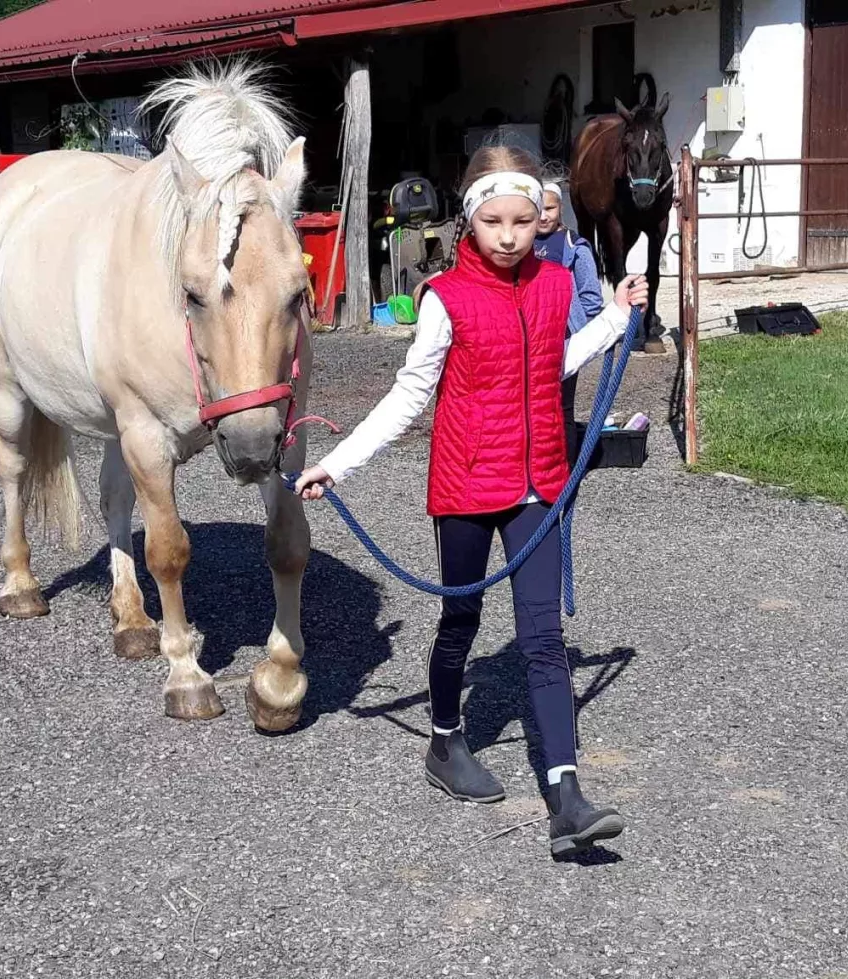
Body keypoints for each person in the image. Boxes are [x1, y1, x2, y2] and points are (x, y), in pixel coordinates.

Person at [292, 144, 648, 858]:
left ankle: (567, 798)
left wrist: (611, 318)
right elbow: (408, 395)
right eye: (495, 222)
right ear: (471, 220)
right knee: (461, 615)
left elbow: (555, 360)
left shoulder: (552, 285)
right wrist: (336, 465)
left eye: (524, 220)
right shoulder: (445, 299)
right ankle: (446, 740)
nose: (512, 234)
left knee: (542, 638)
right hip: (465, 485)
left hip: (539, 484)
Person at [531, 177, 607, 466]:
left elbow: (591, 298)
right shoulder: (522, 244)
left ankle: (565, 470)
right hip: (533, 338)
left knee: (562, 407)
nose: (543, 216)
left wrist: (579, 333)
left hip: (563, 339)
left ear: (560, 208)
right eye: (537, 209)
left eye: (549, 208)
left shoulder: (574, 245)